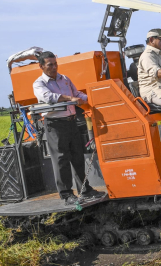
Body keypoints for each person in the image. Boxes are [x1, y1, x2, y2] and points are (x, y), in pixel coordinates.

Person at [33, 51, 105, 205]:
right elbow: (48, 97)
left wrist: (95, 98)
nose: (54, 67)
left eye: (55, 64)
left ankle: (84, 189)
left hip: (71, 122)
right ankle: (66, 195)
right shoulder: (39, 83)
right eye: (50, 65)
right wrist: (70, 98)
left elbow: (77, 93)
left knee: (77, 156)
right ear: (41, 66)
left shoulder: (64, 79)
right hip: (55, 124)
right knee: (61, 159)